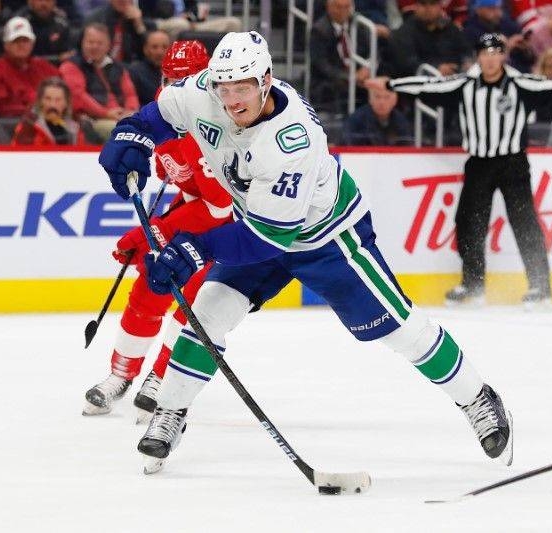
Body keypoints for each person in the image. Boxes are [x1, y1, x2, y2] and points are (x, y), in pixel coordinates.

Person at [98, 31, 514, 474]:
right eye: (224, 87)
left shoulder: (290, 141)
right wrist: (130, 139)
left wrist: (193, 250)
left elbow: (265, 240)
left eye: (243, 88)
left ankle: (477, 397)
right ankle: (171, 410)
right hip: (258, 225)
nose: (232, 100)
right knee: (207, 314)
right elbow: (152, 118)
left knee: (401, 330)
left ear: (266, 81)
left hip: (327, 238)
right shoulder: (205, 92)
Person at [367, 33, 552, 308]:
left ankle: (541, 287)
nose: (491, 58)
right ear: (478, 57)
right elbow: (428, 87)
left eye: (496, 53)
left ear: (504, 56)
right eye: (485, 53)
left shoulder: (521, 84)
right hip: (479, 163)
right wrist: (391, 84)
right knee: (469, 222)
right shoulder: (465, 85)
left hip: (513, 164)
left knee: (525, 224)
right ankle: (473, 284)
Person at [82, 39, 233, 422]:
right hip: (195, 214)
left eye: (187, 81)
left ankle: (161, 376)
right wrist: (156, 230)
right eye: (170, 79)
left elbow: (220, 208)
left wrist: (158, 231)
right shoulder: (165, 118)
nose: (176, 89)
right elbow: (185, 190)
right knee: (150, 284)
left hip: (230, 230)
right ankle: (121, 374)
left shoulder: (215, 133)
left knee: (193, 301)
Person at [59, 22, 139, 143]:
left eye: (100, 43)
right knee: (127, 133)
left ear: (108, 46)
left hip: (121, 116)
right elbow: (78, 97)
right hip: (92, 120)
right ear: (82, 43)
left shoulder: (118, 67)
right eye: (90, 42)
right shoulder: (71, 66)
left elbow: (130, 94)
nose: (95, 46)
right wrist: (106, 113)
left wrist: (130, 111)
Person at [0, 16, 60, 117]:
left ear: (32, 44)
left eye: (25, 40)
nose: (21, 45)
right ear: (6, 45)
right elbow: (2, 108)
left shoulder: (44, 66)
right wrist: (36, 110)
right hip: (16, 125)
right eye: (16, 41)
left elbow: (63, 93)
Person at [11, 77, 84, 145]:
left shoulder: (74, 128)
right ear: (40, 101)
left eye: (58, 100)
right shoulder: (28, 128)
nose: (52, 105)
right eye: (48, 99)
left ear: (66, 104)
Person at [342, 83, 412, 145]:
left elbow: (408, 145)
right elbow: (347, 144)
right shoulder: (356, 119)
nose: (381, 102)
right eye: (377, 97)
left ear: (394, 101)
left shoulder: (401, 120)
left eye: (387, 97)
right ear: (370, 99)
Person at [128, 30, 170, 106]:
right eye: (154, 47)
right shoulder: (135, 72)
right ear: (145, 49)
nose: (159, 52)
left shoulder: (179, 73)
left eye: (164, 47)